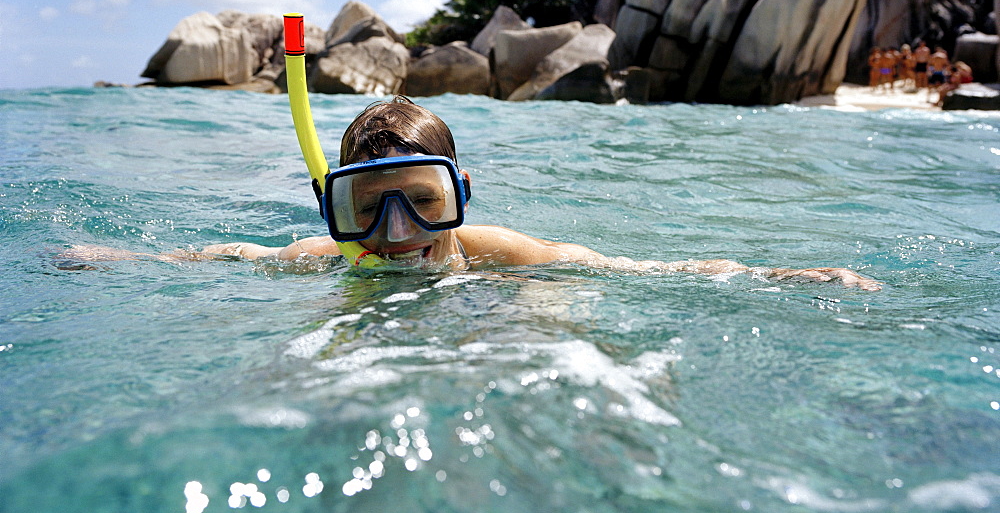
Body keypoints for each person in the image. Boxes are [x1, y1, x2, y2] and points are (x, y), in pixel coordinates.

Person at [196, 97, 879, 289]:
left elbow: (628, 269)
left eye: (424, 200)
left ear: (460, 191)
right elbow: (232, 253)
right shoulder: (326, 256)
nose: (397, 228)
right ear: (333, 210)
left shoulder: (492, 251)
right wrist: (114, 259)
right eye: (367, 206)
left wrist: (772, 275)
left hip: (486, 327)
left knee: (549, 306)